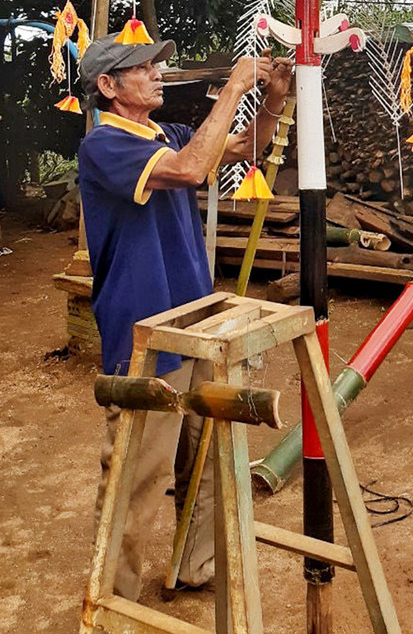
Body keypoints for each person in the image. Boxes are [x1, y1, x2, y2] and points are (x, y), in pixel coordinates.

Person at [77, 31, 292, 601]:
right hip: (145, 332)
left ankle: (196, 564)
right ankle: (113, 598)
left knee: (207, 454)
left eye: (155, 65)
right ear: (108, 86)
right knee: (137, 472)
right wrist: (237, 83)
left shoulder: (161, 133)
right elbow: (193, 168)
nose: (156, 74)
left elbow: (243, 147)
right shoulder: (104, 145)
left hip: (196, 323)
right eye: (143, 68)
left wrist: (272, 98)